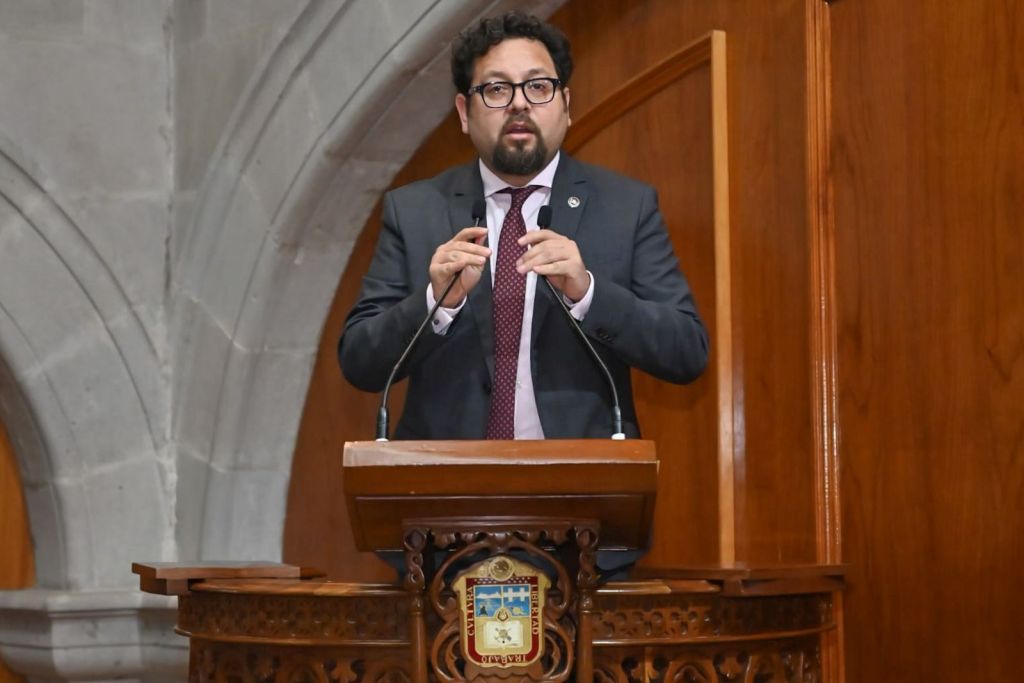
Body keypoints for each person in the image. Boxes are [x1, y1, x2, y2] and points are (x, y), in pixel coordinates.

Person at [339, 11, 708, 440]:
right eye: (497, 89)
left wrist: (587, 293)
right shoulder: (415, 210)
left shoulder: (627, 206)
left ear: (566, 106)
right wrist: (435, 303)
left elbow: (687, 352)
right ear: (464, 112)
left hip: (581, 474)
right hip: (447, 475)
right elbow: (360, 362)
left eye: (538, 86)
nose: (519, 103)